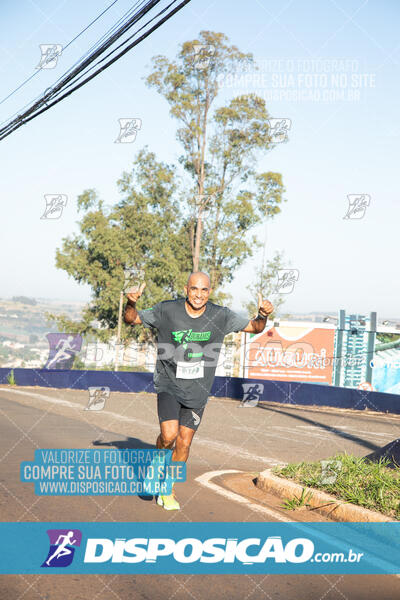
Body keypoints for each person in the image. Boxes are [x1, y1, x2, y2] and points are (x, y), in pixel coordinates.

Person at [124, 271, 273, 510]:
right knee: (169, 436)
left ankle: (167, 489)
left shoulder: (220, 316)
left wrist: (262, 315)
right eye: (194, 289)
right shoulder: (167, 311)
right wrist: (131, 302)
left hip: (198, 390)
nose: (199, 295)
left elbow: (255, 328)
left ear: (209, 292)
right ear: (186, 289)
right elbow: (131, 319)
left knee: (184, 443)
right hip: (169, 382)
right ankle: (158, 460)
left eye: (204, 290)